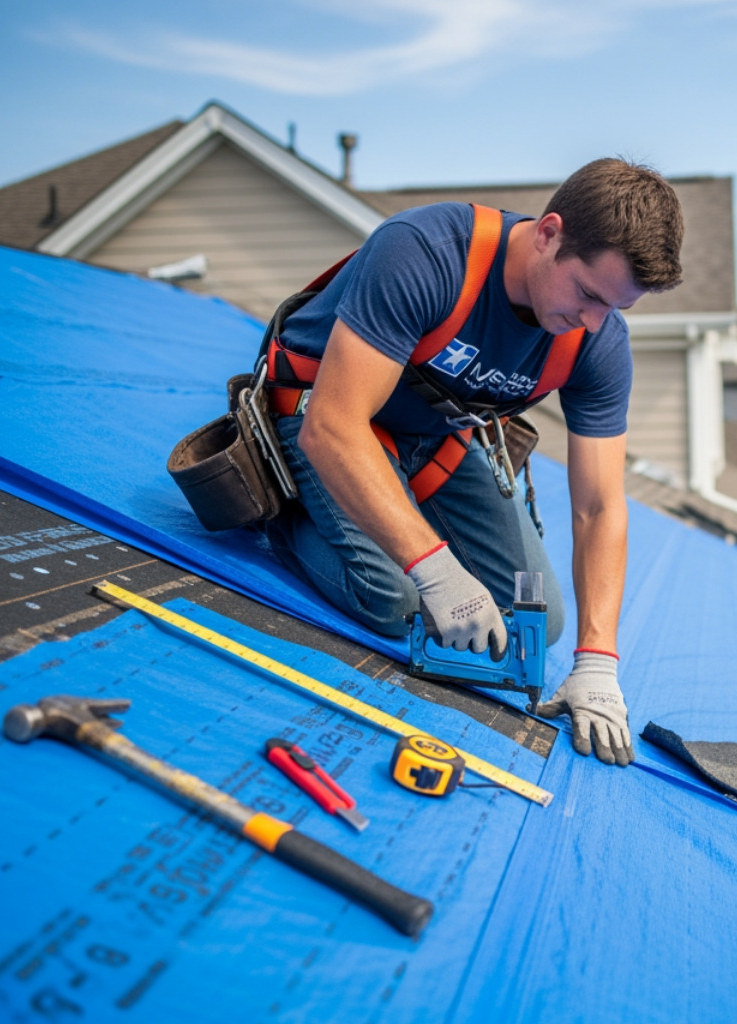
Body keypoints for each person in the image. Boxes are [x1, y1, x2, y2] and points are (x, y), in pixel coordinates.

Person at [262, 158, 684, 767]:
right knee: (399, 600)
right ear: (549, 233)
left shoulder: (597, 338)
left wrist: (598, 661)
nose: (595, 322)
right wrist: (437, 570)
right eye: (589, 294)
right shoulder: (427, 254)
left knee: (544, 623)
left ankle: (399, 526)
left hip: (431, 445)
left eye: (614, 308)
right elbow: (335, 427)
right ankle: (285, 514)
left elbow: (598, 505)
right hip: (323, 418)